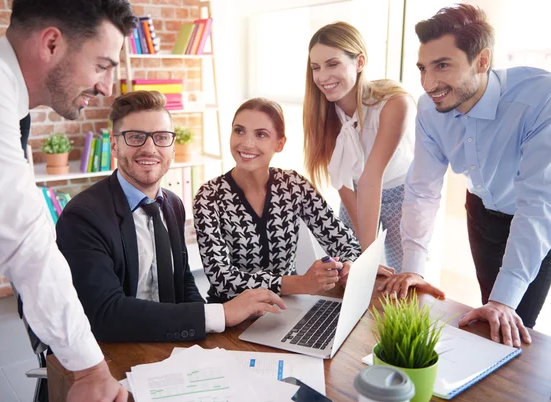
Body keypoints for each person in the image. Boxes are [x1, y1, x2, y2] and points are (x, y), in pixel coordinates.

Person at [0, 1, 137, 401]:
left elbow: (9, 222)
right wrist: (90, 369)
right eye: (102, 65)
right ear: (51, 42)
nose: (107, 86)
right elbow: (23, 240)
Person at [380, 4, 551, 348]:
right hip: (482, 212)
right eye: (423, 69)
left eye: (442, 66)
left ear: (482, 61)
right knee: (492, 316)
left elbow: (538, 204)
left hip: (538, 214)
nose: (429, 83)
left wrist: (505, 299)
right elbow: (422, 191)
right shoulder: (429, 108)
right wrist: (414, 266)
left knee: (516, 321)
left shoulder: (539, 99)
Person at [55, 91, 286, 342]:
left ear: (173, 147)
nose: (150, 148)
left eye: (161, 138)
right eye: (135, 137)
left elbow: (183, 281)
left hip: (170, 342)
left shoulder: (172, 204)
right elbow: (105, 314)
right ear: (114, 145)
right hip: (114, 350)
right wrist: (221, 314)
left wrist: (210, 337)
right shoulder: (84, 216)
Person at [194, 97, 391, 304]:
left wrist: (349, 264)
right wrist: (301, 284)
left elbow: (344, 241)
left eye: (261, 134)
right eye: (239, 131)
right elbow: (222, 279)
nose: (246, 143)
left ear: (280, 144)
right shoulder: (209, 197)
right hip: (232, 315)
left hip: (287, 306)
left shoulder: (292, 184)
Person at [303, 22, 416, 271]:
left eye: (332, 64)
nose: (322, 77)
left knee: (401, 275)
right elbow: (344, 182)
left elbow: (371, 178)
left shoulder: (394, 103)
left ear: (360, 62)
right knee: (351, 268)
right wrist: (366, 256)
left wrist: (368, 257)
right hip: (355, 194)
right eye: (316, 67)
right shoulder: (323, 112)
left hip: (400, 196)